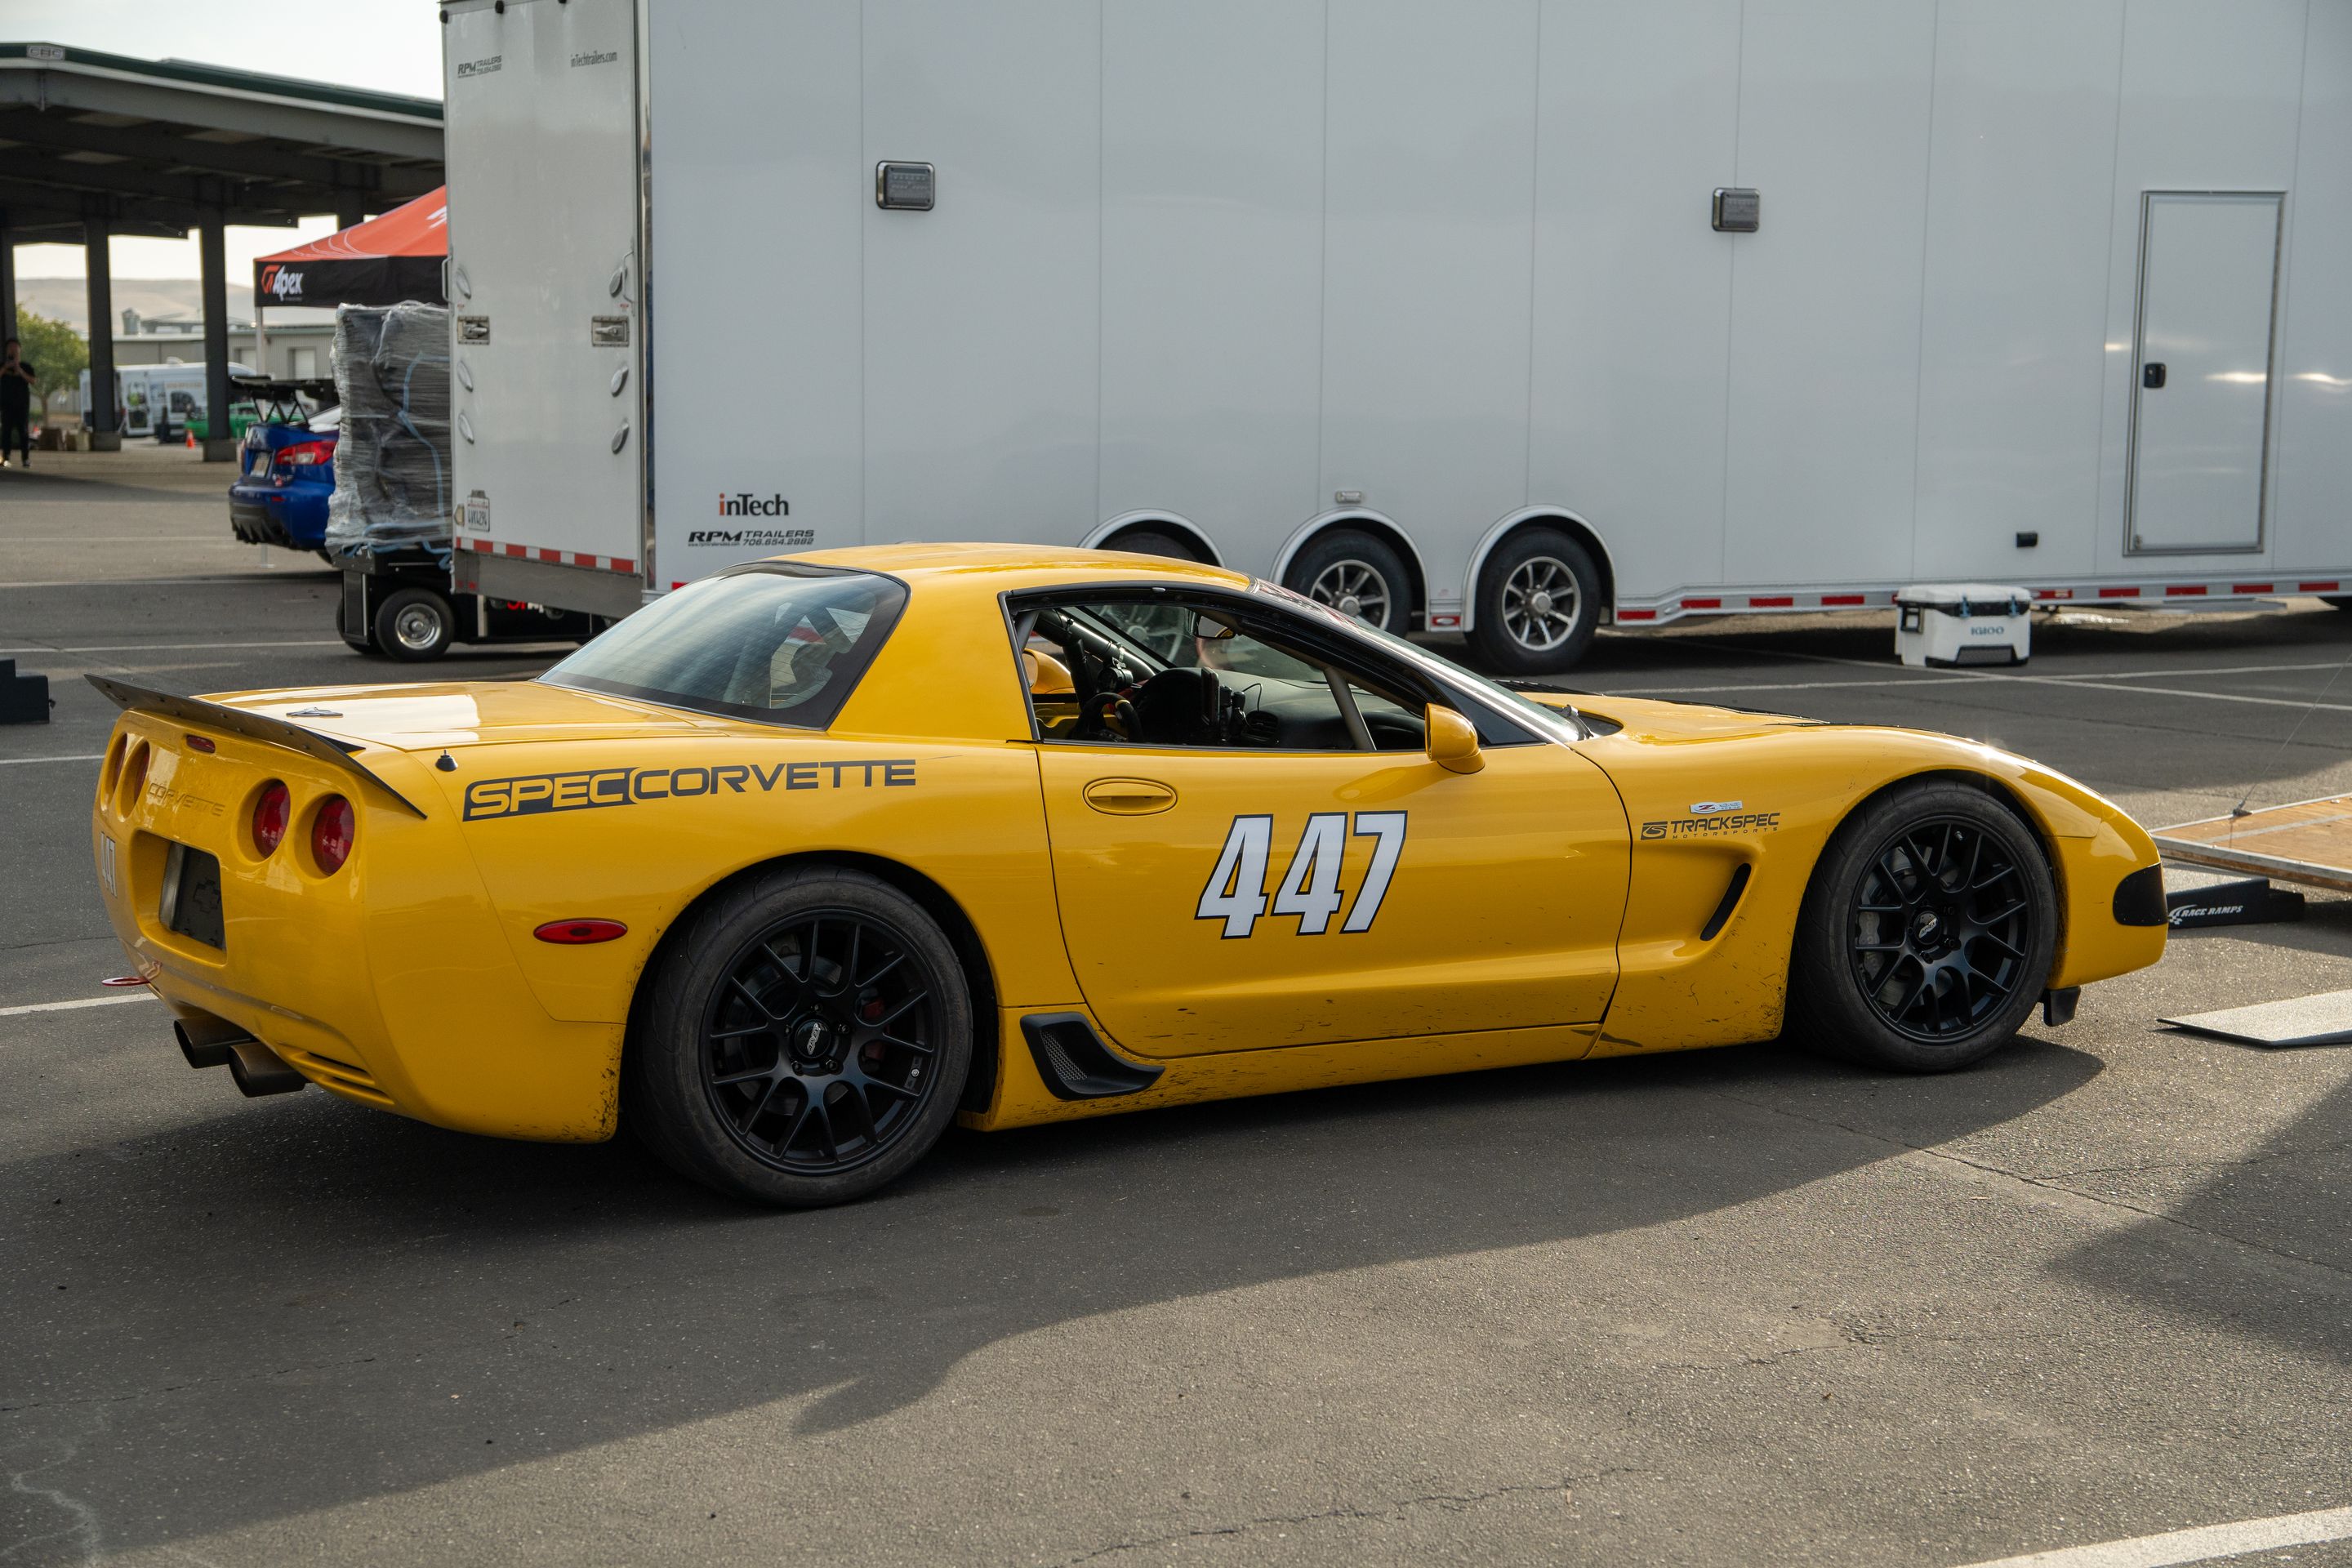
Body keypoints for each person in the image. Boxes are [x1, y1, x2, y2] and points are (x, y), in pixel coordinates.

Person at [0, 338, 34, 468]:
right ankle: (6, 457)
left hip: (22, 405)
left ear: (20, 350)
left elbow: (33, 381)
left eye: (15, 348)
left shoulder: (26, 367)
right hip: (6, 405)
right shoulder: (2, 365)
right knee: (6, 432)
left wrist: (20, 371)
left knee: (23, 432)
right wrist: (5, 367)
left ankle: (25, 458)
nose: (13, 350)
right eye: (10, 348)